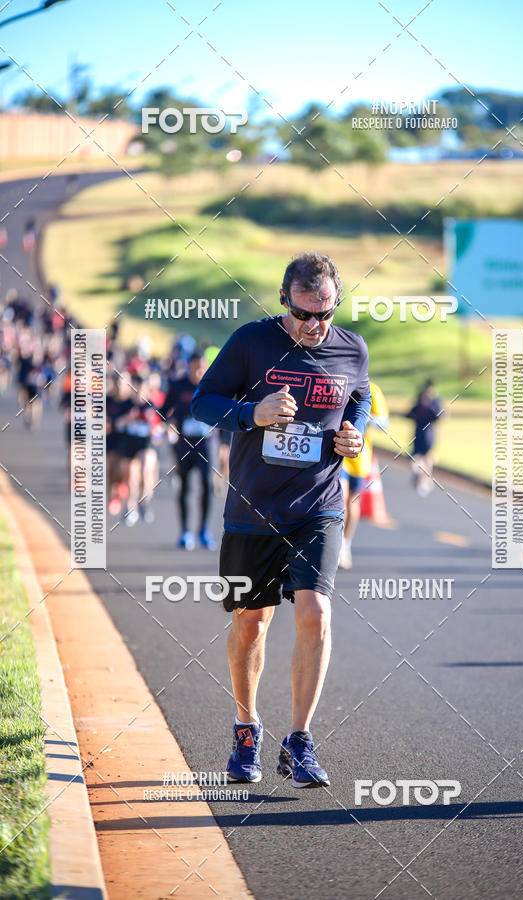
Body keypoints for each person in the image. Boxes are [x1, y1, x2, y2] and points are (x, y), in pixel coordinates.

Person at [191, 251, 371, 788]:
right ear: (284, 301)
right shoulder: (251, 342)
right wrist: (252, 413)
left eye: (326, 313)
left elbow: (358, 398)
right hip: (253, 507)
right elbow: (205, 401)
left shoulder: (351, 348)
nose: (316, 326)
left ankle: (300, 740)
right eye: (304, 314)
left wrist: (356, 432)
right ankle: (246, 727)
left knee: (315, 613)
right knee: (252, 621)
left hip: (319, 503)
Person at [161, 352, 217, 550]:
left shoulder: (214, 385)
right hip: (183, 445)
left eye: (202, 367)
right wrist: (170, 423)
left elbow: (226, 412)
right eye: (195, 367)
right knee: (184, 487)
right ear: (189, 366)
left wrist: (225, 443)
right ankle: (185, 532)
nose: (199, 371)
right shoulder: (178, 385)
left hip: (205, 445)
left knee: (207, 485)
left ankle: (203, 531)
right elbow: (162, 411)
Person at [339, 380, 389, 569]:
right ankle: (334, 544)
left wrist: (362, 415)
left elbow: (384, 423)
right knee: (340, 499)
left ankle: (346, 543)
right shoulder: (338, 382)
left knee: (353, 502)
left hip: (359, 457)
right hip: (336, 454)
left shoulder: (372, 389)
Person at [407, 379, 442, 496]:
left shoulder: (435, 402)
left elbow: (440, 415)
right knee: (416, 457)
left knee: (428, 458)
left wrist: (429, 406)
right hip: (418, 433)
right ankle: (419, 477)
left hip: (429, 433)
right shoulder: (419, 401)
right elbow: (410, 413)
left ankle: (425, 480)